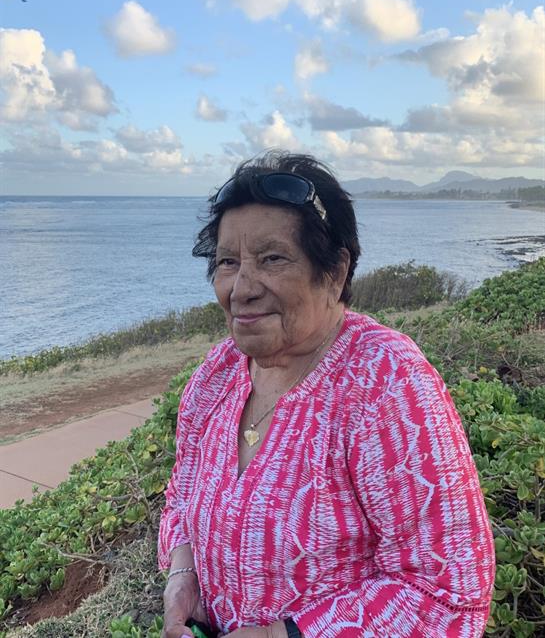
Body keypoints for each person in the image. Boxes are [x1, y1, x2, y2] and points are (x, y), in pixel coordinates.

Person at [158, 152, 495, 638]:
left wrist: (285, 635)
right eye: (228, 262)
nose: (241, 288)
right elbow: (182, 498)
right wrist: (183, 574)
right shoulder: (217, 374)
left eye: (272, 258)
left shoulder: (385, 382)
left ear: (335, 272)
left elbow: (449, 595)